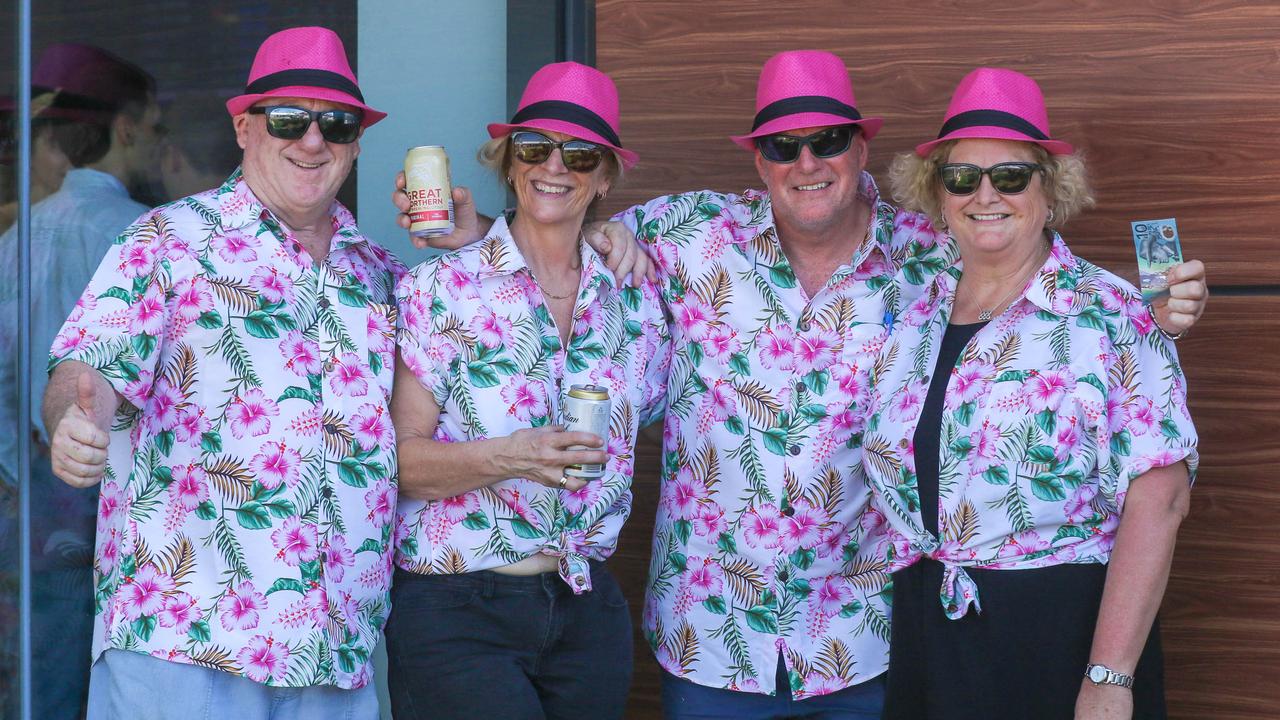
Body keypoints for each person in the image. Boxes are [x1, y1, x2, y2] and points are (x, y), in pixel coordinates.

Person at [393, 51, 1207, 719]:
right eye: (783, 146)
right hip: (712, 637)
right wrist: (478, 239)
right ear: (759, 159)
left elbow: (1037, 274)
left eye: (826, 141)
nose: (805, 162)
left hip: (865, 639)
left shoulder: (935, 256)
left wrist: (1161, 306)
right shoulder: (684, 236)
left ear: (860, 151)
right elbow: (559, 228)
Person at [42, 27, 401, 719]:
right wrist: (72, 420)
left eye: (338, 122)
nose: (313, 140)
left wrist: (582, 232)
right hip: (186, 637)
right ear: (245, 127)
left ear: (356, 141)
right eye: (289, 120)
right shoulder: (167, 239)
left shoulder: (381, 274)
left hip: (334, 650)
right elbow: (86, 365)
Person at [863, 67, 1198, 719]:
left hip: (1060, 636)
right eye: (962, 177)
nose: (985, 193)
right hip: (928, 626)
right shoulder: (913, 311)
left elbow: (1159, 503)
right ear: (939, 195)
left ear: (1051, 191)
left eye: (1011, 175)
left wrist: (1109, 678)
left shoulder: (1113, 314)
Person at [387, 61, 671, 720]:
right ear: (510, 164)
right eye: (535, 148)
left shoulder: (635, 299)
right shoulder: (439, 291)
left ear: (603, 177)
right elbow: (401, 464)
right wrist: (508, 455)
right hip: (461, 611)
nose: (555, 165)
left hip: (586, 607)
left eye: (580, 155)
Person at [0, 42, 163, 720]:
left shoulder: (17, 237)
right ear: (126, 129)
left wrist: (18, 470)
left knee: (45, 672)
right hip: (128, 490)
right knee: (128, 673)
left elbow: (5, 371)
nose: (160, 145)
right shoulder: (144, 233)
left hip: (37, 485)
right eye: (155, 128)